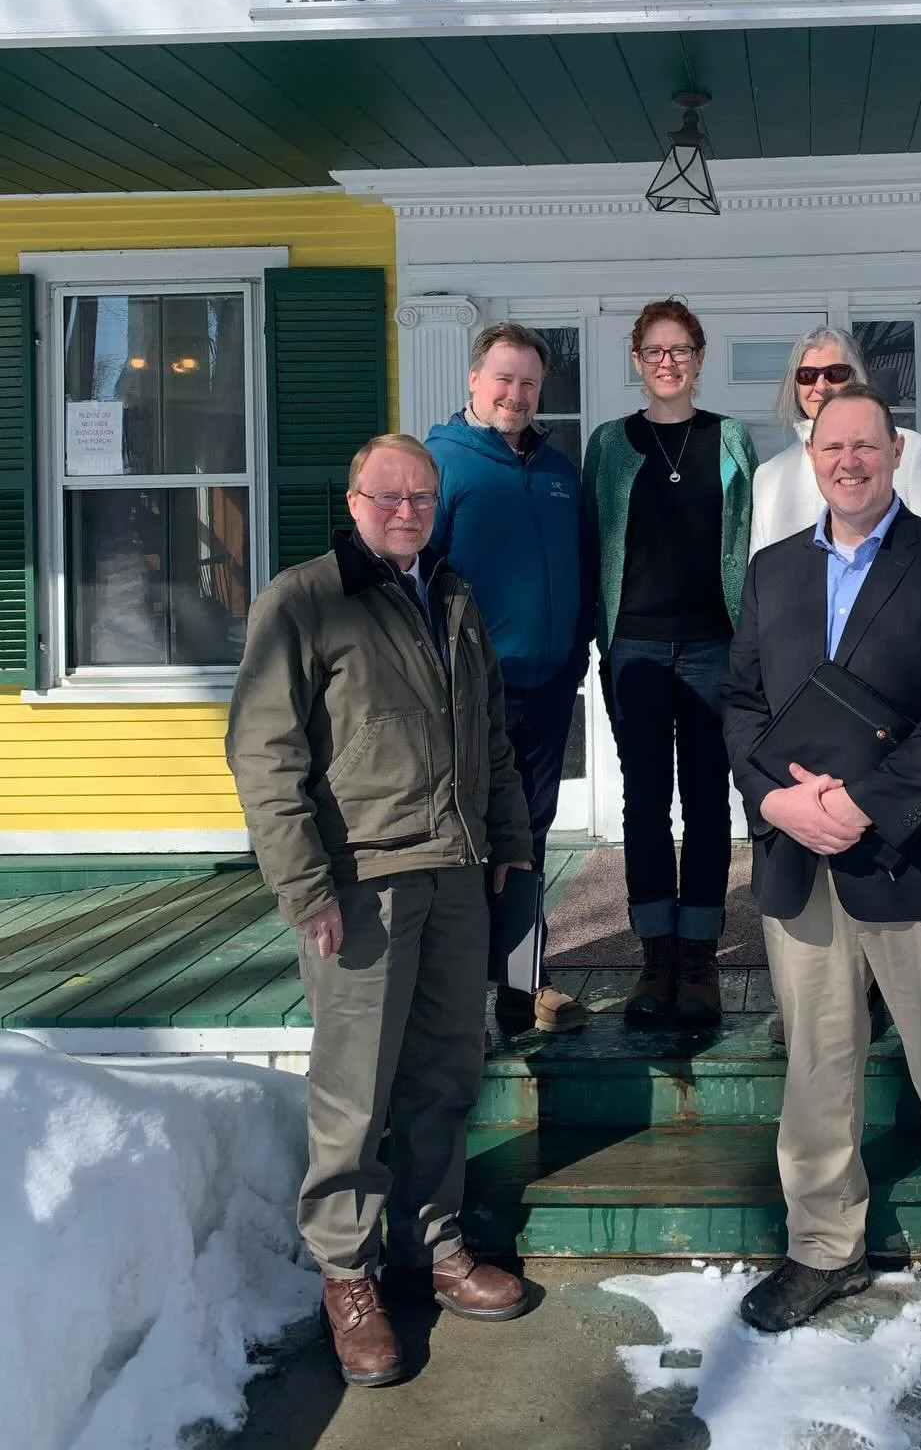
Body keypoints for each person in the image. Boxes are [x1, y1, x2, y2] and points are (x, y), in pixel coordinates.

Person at [226, 433, 533, 1389]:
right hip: (361, 881)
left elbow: (490, 732)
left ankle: (434, 1245)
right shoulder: (305, 599)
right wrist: (304, 885)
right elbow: (264, 756)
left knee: (444, 1071)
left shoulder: (450, 594)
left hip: (456, 871)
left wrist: (512, 837)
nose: (407, 511)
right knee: (354, 1089)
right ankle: (348, 1276)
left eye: (422, 497)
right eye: (388, 495)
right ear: (354, 499)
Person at [723, 384, 921, 1378]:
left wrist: (870, 802)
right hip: (803, 862)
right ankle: (823, 1246)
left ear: (895, 454)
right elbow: (743, 704)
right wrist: (776, 804)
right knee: (818, 1067)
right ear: (812, 459)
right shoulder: (770, 574)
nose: (848, 461)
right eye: (830, 446)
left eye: (866, 446)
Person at [582, 298, 758, 1028]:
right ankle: (654, 955)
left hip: (715, 645)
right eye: (654, 350)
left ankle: (699, 961)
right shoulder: (609, 443)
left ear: (699, 357)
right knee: (645, 804)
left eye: (680, 349)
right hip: (637, 647)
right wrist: (602, 635)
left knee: (711, 804)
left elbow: (755, 535)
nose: (667, 362)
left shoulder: (730, 438)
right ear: (635, 359)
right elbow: (592, 542)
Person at [429, 321, 592, 1035]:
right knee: (474, 838)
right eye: (503, 378)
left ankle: (525, 985)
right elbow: (417, 578)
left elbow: (585, 565)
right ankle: (461, 984)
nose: (516, 394)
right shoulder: (441, 465)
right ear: (473, 380)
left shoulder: (559, 472)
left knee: (529, 834)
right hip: (471, 696)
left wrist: (577, 644)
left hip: (550, 687)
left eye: (529, 383)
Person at [749, 326, 921, 555]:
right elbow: (762, 573)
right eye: (807, 375)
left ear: (857, 376)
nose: (820, 386)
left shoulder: (910, 451)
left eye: (835, 373)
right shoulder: (769, 476)